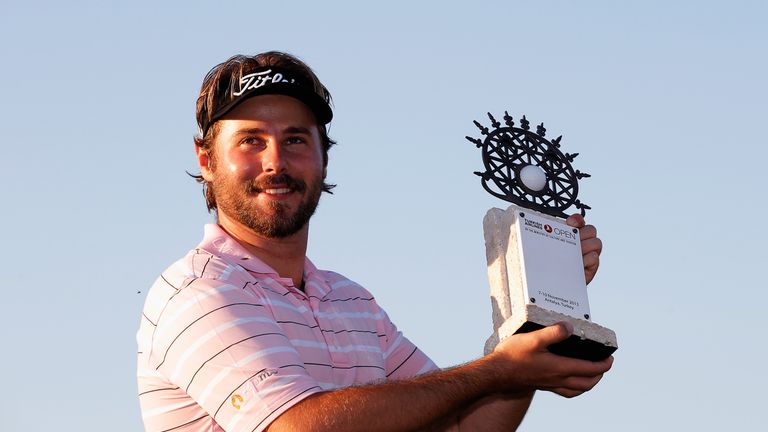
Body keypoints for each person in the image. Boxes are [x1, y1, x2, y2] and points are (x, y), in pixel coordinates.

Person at [136, 51, 613, 432]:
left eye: (297, 139)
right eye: (251, 140)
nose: (275, 161)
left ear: (324, 157)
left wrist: (533, 325)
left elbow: (464, 425)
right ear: (205, 159)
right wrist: (496, 372)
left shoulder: (352, 302)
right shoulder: (197, 293)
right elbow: (293, 426)